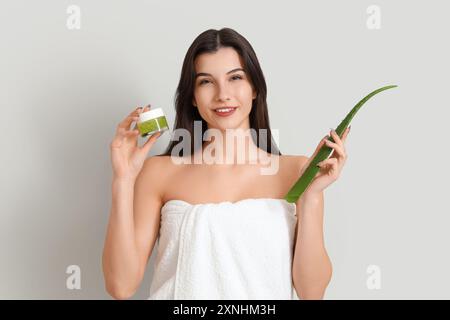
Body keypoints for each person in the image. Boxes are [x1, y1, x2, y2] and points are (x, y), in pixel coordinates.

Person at [102, 27, 350, 300]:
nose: (223, 94)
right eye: (206, 82)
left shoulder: (296, 172)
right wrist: (123, 180)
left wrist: (311, 196)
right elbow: (121, 286)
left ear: (255, 88)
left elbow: (311, 291)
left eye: (236, 78)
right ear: (193, 97)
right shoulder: (159, 173)